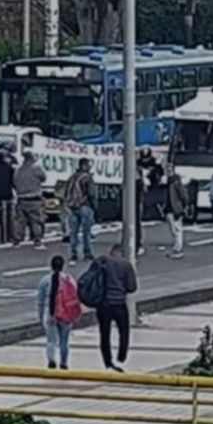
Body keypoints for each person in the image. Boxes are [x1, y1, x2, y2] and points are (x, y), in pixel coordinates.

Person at [94, 243, 137, 371]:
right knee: (124, 331)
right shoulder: (126, 265)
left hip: (104, 304)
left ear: (111, 251)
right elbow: (132, 287)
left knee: (104, 334)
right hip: (119, 303)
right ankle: (121, 356)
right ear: (122, 253)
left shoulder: (102, 262)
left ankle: (107, 361)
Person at [37, 255, 75, 369]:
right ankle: (64, 362)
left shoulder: (45, 281)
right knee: (64, 340)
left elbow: (40, 301)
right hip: (65, 314)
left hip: (50, 313)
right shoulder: (69, 280)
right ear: (63, 266)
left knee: (51, 340)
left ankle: (51, 360)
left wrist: (41, 316)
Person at [13, 151, 47, 248]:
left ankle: (17, 240)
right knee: (36, 220)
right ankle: (37, 239)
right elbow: (44, 178)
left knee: (20, 221)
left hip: (21, 198)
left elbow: (14, 182)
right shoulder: (36, 169)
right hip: (34, 198)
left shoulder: (18, 170)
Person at [67, 158, 96, 261]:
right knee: (86, 231)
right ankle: (87, 252)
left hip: (72, 206)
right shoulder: (87, 178)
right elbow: (91, 194)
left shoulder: (72, 177)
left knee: (73, 232)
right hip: (84, 206)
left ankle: (73, 252)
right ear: (84, 165)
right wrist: (94, 207)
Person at [164, 164, 189, 258]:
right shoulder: (168, 181)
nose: (168, 171)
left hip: (176, 207)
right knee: (173, 228)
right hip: (169, 207)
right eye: (167, 170)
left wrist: (185, 205)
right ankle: (177, 247)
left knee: (177, 228)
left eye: (170, 170)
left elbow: (183, 195)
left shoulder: (176, 182)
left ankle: (178, 249)